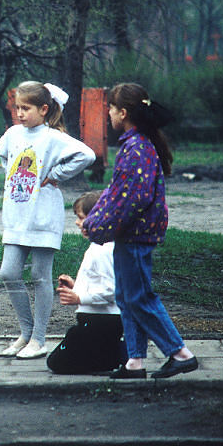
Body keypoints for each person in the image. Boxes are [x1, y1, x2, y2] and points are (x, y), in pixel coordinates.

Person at [83, 83, 197, 380]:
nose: (108, 112)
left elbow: (129, 198)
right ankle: (135, 361)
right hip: (132, 235)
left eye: (110, 108)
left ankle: (180, 353)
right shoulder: (136, 145)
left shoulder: (135, 149)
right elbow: (117, 192)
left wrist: (98, 225)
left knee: (139, 297)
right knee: (126, 297)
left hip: (136, 236)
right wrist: (97, 220)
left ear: (123, 112)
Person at [0, 81, 96, 359]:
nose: (20, 113)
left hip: (42, 217)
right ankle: (25, 333)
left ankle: (39, 339)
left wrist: (57, 174)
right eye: (17, 108)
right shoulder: (14, 133)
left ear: (44, 109)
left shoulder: (52, 137)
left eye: (26, 108)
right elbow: (2, 153)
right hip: (16, 217)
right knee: (9, 272)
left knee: (41, 276)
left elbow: (86, 155)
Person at [46, 191, 127, 374]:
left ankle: (116, 355)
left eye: (81, 218)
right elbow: (100, 284)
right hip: (98, 320)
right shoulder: (100, 246)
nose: (77, 222)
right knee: (69, 344)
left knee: (56, 363)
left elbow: (112, 291)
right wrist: (75, 286)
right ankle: (111, 354)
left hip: (103, 320)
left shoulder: (102, 250)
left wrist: (79, 297)